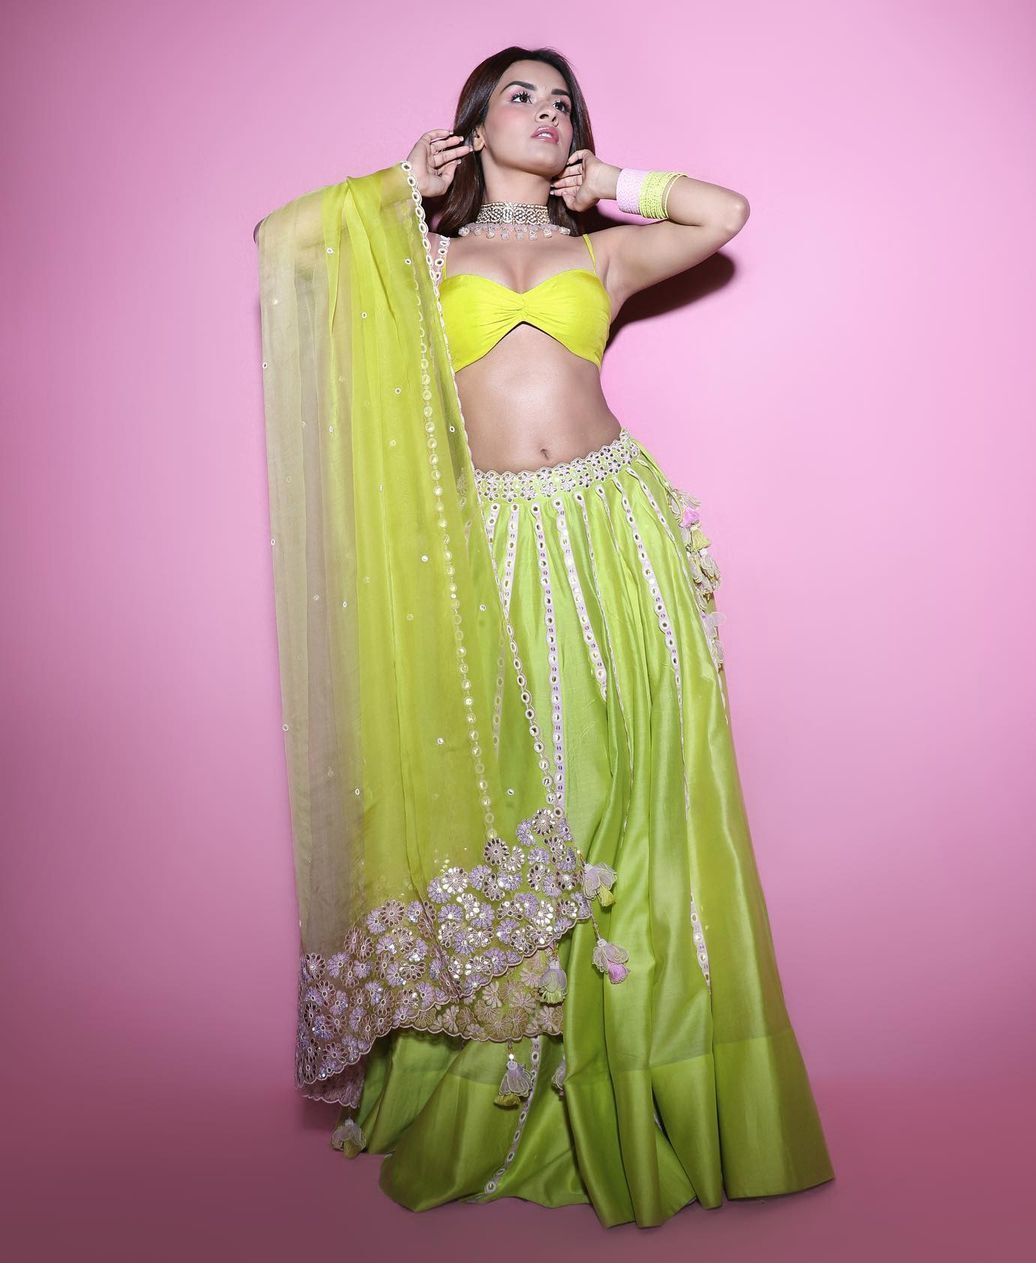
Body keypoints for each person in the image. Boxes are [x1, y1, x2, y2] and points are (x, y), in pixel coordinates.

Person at [254, 45, 835, 1229]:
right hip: (492, 548)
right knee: (518, 795)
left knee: (637, 791)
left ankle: (646, 1075)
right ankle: (508, 1089)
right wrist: (396, 186)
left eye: (561, 100)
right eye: (520, 94)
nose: (545, 110)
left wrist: (613, 180)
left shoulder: (599, 255)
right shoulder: (422, 259)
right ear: (475, 123)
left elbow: (724, 215)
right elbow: (280, 242)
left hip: (615, 531)